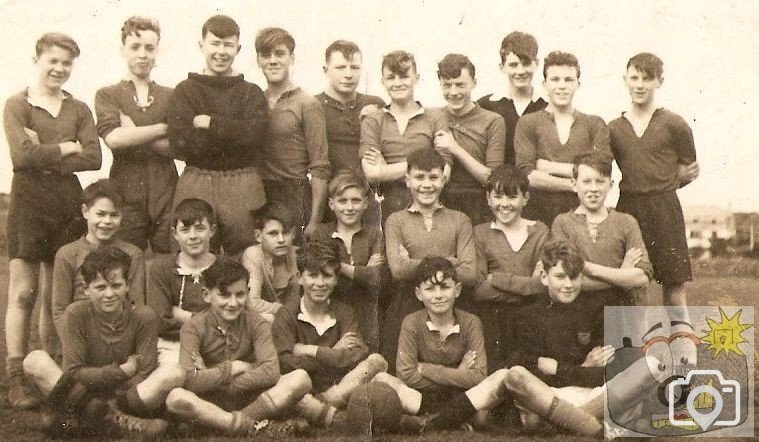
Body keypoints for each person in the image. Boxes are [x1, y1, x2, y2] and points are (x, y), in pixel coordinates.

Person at [3, 32, 101, 408]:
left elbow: (93, 157)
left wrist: (43, 150)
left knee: (54, 293)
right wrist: (64, 147)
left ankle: (52, 372)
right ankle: (16, 377)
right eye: (53, 61)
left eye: (66, 62)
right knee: (23, 291)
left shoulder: (77, 109)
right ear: (37, 59)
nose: (59, 68)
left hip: (65, 199)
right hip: (28, 198)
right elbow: (22, 158)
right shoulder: (17, 104)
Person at [501, 239, 669, 437]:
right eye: (560, 277)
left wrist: (559, 369)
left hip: (594, 394)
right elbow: (527, 371)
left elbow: (610, 371)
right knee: (516, 376)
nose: (568, 284)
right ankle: (599, 426)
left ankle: (565, 423)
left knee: (651, 364)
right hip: (548, 396)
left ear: (582, 277)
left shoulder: (597, 310)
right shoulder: (526, 315)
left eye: (574, 277)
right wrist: (584, 368)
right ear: (544, 276)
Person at [23, 247, 184, 438]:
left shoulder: (144, 317)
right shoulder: (76, 314)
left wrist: (108, 387)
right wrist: (121, 371)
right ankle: (115, 421)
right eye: (100, 287)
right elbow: (73, 373)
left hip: (123, 396)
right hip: (85, 391)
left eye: (116, 286)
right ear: (86, 290)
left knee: (175, 373)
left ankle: (94, 417)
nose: (109, 294)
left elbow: (145, 373)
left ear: (127, 285)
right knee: (35, 360)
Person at [165, 258, 312, 437]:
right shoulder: (193, 327)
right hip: (209, 400)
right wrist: (234, 368)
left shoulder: (256, 322)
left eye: (240, 294)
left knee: (300, 379)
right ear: (206, 295)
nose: (233, 303)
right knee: (176, 398)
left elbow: (271, 371)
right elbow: (190, 379)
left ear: (248, 292)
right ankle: (258, 427)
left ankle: (228, 424)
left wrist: (214, 377)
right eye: (224, 295)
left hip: (251, 397)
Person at [167, 14, 268, 256]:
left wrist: (211, 124)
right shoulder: (185, 91)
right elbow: (182, 145)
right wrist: (236, 133)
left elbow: (256, 137)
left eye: (228, 45)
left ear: (238, 48)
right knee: (192, 250)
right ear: (202, 45)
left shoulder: (251, 92)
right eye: (215, 43)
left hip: (243, 180)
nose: (221, 52)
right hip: (197, 178)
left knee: (249, 252)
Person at [609, 52, 699, 306]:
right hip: (628, 207)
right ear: (625, 79)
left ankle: (681, 343)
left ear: (659, 81)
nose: (639, 85)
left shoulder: (674, 123)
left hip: (665, 208)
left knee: (673, 283)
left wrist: (665, 184)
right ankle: (638, 345)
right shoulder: (614, 127)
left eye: (647, 79)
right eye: (634, 77)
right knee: (633, 282)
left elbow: (690, 167)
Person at [271, 241, 388, 428]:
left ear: (335, 279)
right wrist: (333, 351)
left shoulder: (343, 311)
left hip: (341, 385)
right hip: (304, 388)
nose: (320, 283)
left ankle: (323, 406)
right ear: (300, 278)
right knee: (294, 385)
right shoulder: (287, 314)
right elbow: (284, 362)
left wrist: (313, 350)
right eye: (313, 276)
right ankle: (333, 415)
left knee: (376, 362)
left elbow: (358, 353)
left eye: (327, 276)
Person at [382, 149, 475, 371]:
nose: (426, 185)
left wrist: (415, 262)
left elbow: (470, 273)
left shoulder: (460, 220)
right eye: (419, 177)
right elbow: (398, 270)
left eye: (433, 177)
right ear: (407, 181)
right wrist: (450, 261)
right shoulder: (396, 221)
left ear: (443, 180)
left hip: (449, 304)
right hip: (408, 302)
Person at [372, 256, 488, 431]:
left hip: (459, 396)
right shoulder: (411, 322)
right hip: (422, 397)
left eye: (445, 287)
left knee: (482, 417)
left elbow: (479, 376)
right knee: (382, 380)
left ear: (457, 290)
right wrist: (458, 373)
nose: (438, 295)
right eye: (430, 289)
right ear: (419, 294)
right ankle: (447, 419)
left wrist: (427, 369)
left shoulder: (471, 322)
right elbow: (406, 375)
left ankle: (430, 420)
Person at [95, 16, 177, 254]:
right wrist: (162, 128)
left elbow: (180, 147)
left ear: (157, 51)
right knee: (125, 265)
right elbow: (114, 139)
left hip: (167, 192)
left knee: (168, 264)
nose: (143, 54)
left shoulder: (172, 95)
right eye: (135, 47)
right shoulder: (108, 94)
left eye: (149, 48)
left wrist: (134, 133)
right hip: (125, 192)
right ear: (123, 50)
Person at [514, 51, 611, 228]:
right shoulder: (528, 122)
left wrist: (548, 166)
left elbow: (599, 171)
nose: (562, 86)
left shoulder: (594, 124)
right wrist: (577, 183)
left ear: (578, 84)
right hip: (537, 215)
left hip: (581, 216)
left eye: (568, 80)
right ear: (544, 84)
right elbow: (527, 176)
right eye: (555, 79)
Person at [551, 151, 652, 316]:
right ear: (574, 184)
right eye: (586, 182)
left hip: (622, 314)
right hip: (579, 314)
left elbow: (641, 278)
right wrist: (621, 275)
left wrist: (585, 267)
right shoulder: (562, 223)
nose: (593, 189)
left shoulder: (626, 222)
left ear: (610, 185)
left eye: (600, 182)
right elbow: (567, 280)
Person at [52, 179, 145, 349]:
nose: (107, 221)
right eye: (101, 214)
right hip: (79, 336)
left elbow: (137, 306)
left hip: (120, 337)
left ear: (122, 215)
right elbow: (59, 311)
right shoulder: (67, 254)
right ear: (85, 211)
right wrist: (74, 345)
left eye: (114, 215)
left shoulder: (133, 254)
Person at [256, 27, 330, 241]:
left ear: (292, 58)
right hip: (259, 193)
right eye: (266, 55)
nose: (272, 61)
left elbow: (320, 165)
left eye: (279, 54)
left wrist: (315, 220)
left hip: (293, 194)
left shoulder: (307, 104)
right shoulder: (254, 101)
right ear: (258, 60)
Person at [359, 50, 450, 225]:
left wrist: (386, 170)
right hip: (389, 206)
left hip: (430, 205)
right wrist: (427, 160)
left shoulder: (436, 117)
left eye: (404, 76)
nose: (398, 83)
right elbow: (372, 172)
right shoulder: (373, 120)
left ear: (416, 77)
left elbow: (445, 172)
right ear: (383, 81)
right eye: (391, 77)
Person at [473, 165, 548, 372]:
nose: (504, 204)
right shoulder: (480, 233)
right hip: (493, 321)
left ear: (525, 198)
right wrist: (525, 286)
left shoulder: (540, 231)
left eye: (512, 197)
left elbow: (542, 285)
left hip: (531, 319)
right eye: (498, 197)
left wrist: (496, 279)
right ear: (488, 198)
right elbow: (479, 290)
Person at [311, 170, 387, 351]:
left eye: (356, 200)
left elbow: (376, 279)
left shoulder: (374, 234)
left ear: (366, 203)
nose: (349, 207)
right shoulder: (321, 233)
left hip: (366, 309)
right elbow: (319, 270)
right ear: (331, 204)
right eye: (342, 201)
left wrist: (336, 265)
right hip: (331, 308)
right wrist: (362, 271)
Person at [316, 40, 385, 225]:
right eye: (340, 67)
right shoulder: (314, 106)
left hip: (367, 198)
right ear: (325, 69)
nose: (348, 74)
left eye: (355, 68)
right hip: (329, 199)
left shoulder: (375, 104)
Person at [433, 54, 506, 226]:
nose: (453, 92)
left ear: (474, 82)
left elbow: (493, 179)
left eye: (460, 85)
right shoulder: (433, 116)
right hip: (440, 200)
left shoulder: (493, 121)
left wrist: (455, 148)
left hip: (479, 204)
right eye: (447, 85)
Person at [146, 198, 217, 365]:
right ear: (175, 234)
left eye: (200, 229)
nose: (193, 236)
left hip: (216, 344)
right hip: (174, 344)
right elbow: (162, 322)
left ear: (212, 230)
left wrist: (184, 315)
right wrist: (209, 321)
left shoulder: (224, 267)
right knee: (179, 374)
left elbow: (232, 317)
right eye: (185, 230)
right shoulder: (162, 268)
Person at [478, 31, 547, 165]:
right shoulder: (485, 105)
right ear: (502, 67)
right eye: (513, 65)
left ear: (536, 64)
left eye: (526, 63)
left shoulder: (547, 106)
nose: (520, 71)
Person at [241, 202, 300, 322]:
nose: (281, 240)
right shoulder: (254, 255)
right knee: (267, 318)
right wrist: (282, 311)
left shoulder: (297, 255)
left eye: (286, 233)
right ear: (258, 236)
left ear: (293, 234)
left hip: (293, 319)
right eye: (273, 234)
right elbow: (252, 303)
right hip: (266, 318)